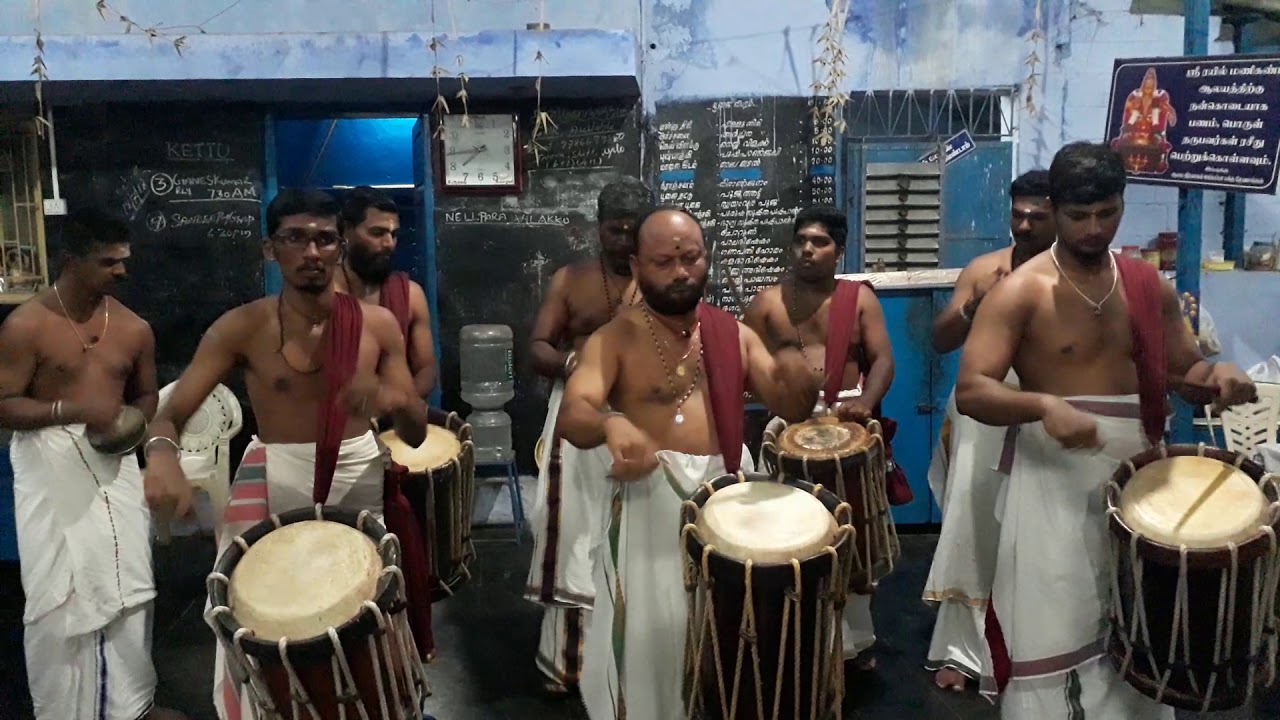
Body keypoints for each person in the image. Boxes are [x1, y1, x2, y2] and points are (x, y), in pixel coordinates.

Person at [955, 142, 1256, 720]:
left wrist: (1217, 375)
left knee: (1143, 629)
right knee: (1057, 627)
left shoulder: (1148, 286)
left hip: (1143, 483)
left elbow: (1184, 372)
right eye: (1078, 216)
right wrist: (1043, 405)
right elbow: (972, 390)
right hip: (1052, 486)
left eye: (1108, 213)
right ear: (1055, 208)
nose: (1094, 229)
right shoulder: (1021, 291)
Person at [142, 189, 430, 720]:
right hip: (276, 479)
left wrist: (398, 399)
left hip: (361, 478)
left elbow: (413, 434)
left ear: (340, 248)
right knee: (260, 619)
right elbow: (169, 414)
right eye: (295, 239)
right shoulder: (243, 326)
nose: (311, 252)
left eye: (324, 239)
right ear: (270, 250)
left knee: (363, 618)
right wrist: (161, 456)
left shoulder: (377, 326)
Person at [558, 206, 847, 720]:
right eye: (664, 262)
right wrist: (609, 423)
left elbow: (789, 405)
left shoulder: (731, 333)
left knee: (722, 638)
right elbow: (574, 412)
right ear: (638, 265)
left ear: (706, 258)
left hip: (724, 501)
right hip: (647, 501)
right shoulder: (616, 337)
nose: (680, 272)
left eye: (690, 258)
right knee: (651, 640)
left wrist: (796, 382)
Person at [0, 209, 187, 719]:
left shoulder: (133, 328)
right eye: (108, 263)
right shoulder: (27, 325)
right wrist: (73, 411)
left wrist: (130, 425)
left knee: (129, 583)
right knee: (57, 595)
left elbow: (147, 394)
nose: (122, 272)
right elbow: (4, 404)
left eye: (124, 261)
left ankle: (132, 703)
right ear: (70, 262)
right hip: (50, 471)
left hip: (115, 466)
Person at [742, 204, 897, 670]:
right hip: (786, 429)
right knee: (796, 539)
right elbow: (741, 367)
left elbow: (884, 360)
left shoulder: (860, 300)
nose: (808, 250)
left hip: (847, 427)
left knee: (849, 535)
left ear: (839, 251)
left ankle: (853, 643)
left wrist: (865, 403)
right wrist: (778, 385)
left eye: (820, 242)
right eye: (801, 241)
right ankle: (801, 640)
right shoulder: (767, 302)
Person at [923, 169, 1055, 694]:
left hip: (1043, 409)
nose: (1023, 226)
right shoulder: (985, 269)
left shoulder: (1076, 276)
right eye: (1016, 216)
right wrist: (976, 306)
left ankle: (1033, 651)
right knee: (971, 521)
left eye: (1036, 218)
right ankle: (962, 650)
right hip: (981, 413)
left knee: (1037, 525)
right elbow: (939, 340)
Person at [523, 178, 652, 694]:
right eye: (613, 230)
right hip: (579, 417)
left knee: (641, 539)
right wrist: (578, 361)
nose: (622, 241)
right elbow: (537, 348)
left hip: (646, 420)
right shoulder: (572, 279)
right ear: (598, 228)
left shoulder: (668, 279)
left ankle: (638, 660)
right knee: (573, 531)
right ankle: (568, 665)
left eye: (631, 231)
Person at [334, 186, 437, 399]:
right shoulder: (323, 294)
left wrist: (399, 408)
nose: (389, 243)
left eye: (394, 234)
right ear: (346, 232)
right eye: (377, 233)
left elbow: (426, 370)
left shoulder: (410, 296)